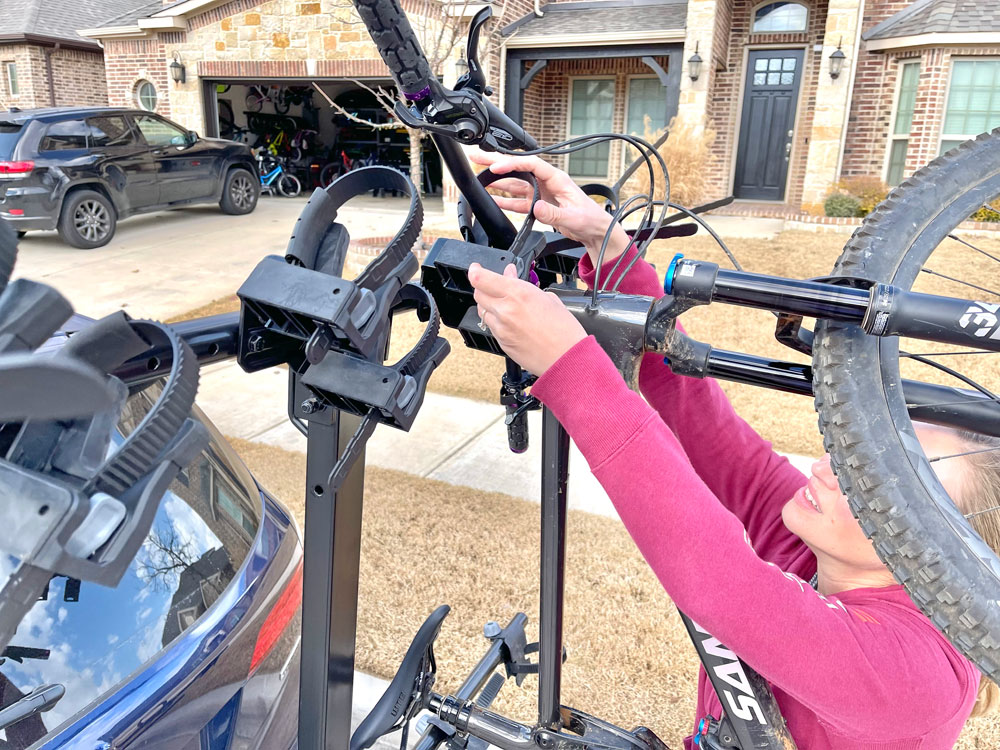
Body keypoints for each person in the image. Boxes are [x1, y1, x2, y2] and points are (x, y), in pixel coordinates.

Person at [465, 150, 1000, 748]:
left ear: (945, 554)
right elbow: (710, 437)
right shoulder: (825, 553)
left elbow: (717, 576)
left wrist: (571, 367)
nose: (832, 469)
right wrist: (610, 251)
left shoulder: (918, 678)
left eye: (886, 491)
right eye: (863, 461)